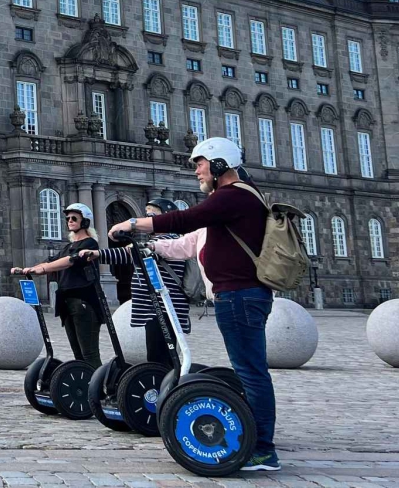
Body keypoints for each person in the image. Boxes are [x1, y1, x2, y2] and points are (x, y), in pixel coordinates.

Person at [109, 137, 280, 473]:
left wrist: (131, 224)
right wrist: (154, 247)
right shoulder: (232, 200)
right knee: (249, 371)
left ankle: (263, 450)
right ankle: (257, 439)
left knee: (252, 373)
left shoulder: (234, 196)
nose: (197, 171)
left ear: (218, 164)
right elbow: (189, 242)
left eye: (200, 163)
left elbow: (184, 220)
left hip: (240, 296)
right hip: (238, 296)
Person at [77, 199, 190, 367]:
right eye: (146, 215)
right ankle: (166, 384)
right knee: (160, 355)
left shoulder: (168, 240)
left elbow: (130, 253)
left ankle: (168, 387)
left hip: (163, 309)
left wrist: (98, 254)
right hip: (156, 310)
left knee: (160, 357)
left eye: (152, 215)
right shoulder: (160, 241)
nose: (147, 219)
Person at [12, 202, 102, 365]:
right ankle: (84, 384)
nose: (70, 221)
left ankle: (97, 387)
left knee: (89, 353)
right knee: (78, 353)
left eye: (74, 218)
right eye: (68, 218)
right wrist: (30, 269)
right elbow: (52, 261)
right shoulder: (68, 246)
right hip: (67, 302)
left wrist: (43, 268)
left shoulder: (89, 244)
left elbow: (69, 261)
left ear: (85, 222)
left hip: (84, 302)